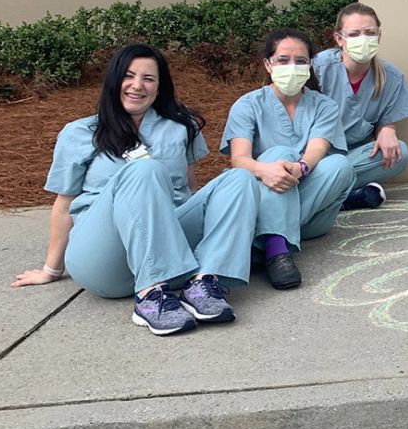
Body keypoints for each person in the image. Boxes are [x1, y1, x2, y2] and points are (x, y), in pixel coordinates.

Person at [15, 44, 259, 336]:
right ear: (114, 81)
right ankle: (149, 295)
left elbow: (188, 190)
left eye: (148, 79)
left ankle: (205, 282)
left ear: (159, 87)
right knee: (145, 169)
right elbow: (64, 204)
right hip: (105, 258)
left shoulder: (181, 128)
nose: (137, 86)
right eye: (129, 76)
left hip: (169, 249)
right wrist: (50, 270)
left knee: (240, 179)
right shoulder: (79, 133)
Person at [223, 28, 354, 291]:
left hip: (307, 209)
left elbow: (318, 147)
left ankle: (265, 239)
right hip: (264, 193)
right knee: (279, 155)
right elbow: (239, 159)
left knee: (340, 165)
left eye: (300, 61)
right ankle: (276, 250)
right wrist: (265, 170)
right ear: (267, 64)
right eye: (283, 60)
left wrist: (301, 167)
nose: (291, 67)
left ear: (310, 65)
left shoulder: (324, 105)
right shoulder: (247, 105)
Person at [312, 3, 408, 209]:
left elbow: (386, 120)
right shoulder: (318, 69)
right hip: (315, 156)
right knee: (330, 165)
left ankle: (325, 196)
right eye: (354, 34)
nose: (363, 39)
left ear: (379, 36)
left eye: (370, 33)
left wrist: (388, 129)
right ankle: (340, 200)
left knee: (400, 154)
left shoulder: (391, 77)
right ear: (339, 39)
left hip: (353, 157)